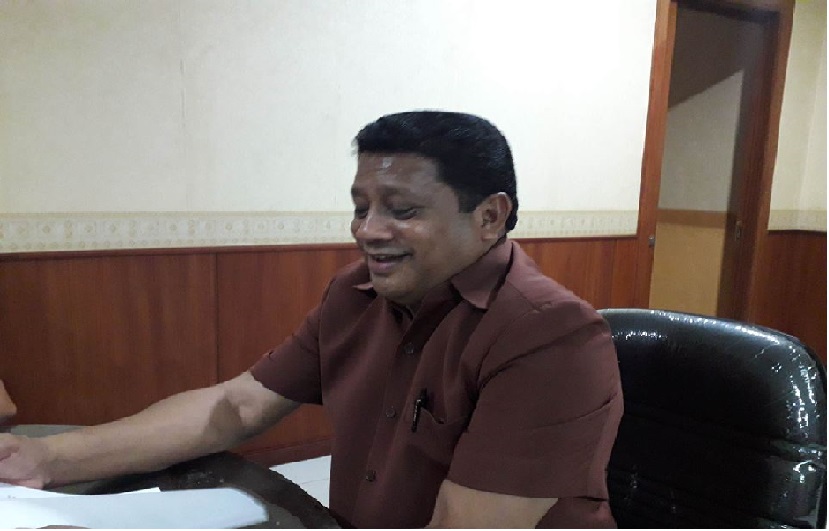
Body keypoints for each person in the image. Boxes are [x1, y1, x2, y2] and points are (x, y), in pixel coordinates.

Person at [0, 111, 622, 528]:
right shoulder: (354, 294)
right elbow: (238, 406)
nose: (368, 231)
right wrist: (47, 459)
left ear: (489, 217)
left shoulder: (551, 338)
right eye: (360, 206)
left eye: (401, 210)